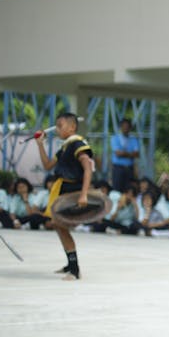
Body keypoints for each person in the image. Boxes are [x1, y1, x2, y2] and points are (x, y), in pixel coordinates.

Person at [35, 112, 94, 280]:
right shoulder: (65, 147)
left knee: (60, 225)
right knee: (58, 226)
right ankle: (71, 263)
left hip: (72, 190)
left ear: (73, 126)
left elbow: (88, 168)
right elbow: (47, 165)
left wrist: (84, 194)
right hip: (61, 189)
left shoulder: (78, 144)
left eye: (61, 125)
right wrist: (40, 144)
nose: (58, 129)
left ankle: (74, 270)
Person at [111, 118, 140, 192]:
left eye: (127, 127)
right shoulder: (115, 138)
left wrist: (124, 153)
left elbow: (136, 154)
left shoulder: (133, 139)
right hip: (118, 169)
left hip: (129, 169)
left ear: (130, 128)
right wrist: (130, 154)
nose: (125, 128)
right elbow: (118, 153)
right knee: (117, 189)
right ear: (121, 127)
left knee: (129, 189)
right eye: (124, 126)